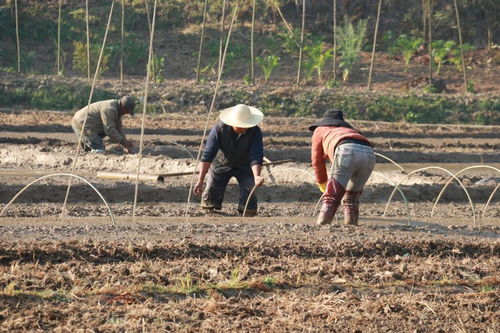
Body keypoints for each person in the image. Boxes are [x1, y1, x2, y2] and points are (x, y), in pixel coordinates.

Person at [194, 104, 265, 216]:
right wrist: (200, 180)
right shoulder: (218, 129)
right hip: (221, 162)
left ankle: (246, 209)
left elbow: (256, 156)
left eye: (246, 125)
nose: (244, 128)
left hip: (245, 165)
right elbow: (207, 156)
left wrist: (256, 176)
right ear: (233, 123)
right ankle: (210, 205)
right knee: (211, 191)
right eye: (241, 126)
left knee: (249, 192)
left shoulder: (255, 132)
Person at [309, 109, 375, 226]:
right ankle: (351, 226)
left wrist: (323, 184)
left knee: (331, 197)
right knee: (352, 198)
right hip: (369, 154)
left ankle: (321, 226)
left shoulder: (319, 130)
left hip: (346, 151)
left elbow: (317, 161)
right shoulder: (350, 130)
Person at [71, 96, 136, 153]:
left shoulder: (117, 110)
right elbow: (109, 130)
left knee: (94, 145)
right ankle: (89, 143)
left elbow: (119, 128)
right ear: (123, 107)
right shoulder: (110, 109)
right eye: (127, 111)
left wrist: (125, 144)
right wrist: (123, 141)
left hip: (88, 123)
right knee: (99, 149)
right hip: (81, 122)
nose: (127, 113)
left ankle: (87, 145)